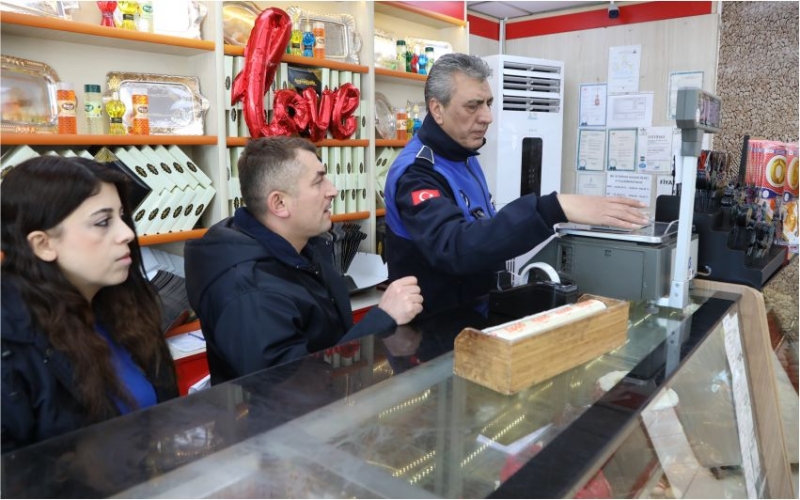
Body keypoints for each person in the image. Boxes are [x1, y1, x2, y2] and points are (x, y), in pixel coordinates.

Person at [384, 53, 651, 315]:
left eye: (488, 103)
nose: (487, 116)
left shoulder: (462, 154)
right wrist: (552, 208)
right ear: (437, 109)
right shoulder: (417, 173)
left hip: (475, 317)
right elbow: (455, 247)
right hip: (431, 334)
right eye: (473, 106)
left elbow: (481, 227)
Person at [184, 137, 423, 384]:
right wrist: (382, 318)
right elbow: (294, 389)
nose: (333, 190)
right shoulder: (249, 291)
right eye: (318, 181)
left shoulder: (304, 247)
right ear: (279, 203)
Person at [1, 156, 178, 453]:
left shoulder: (121, 307)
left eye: (122, 216)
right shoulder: (11, 343)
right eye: (102, 222)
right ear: (43, 244)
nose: (127, 233)